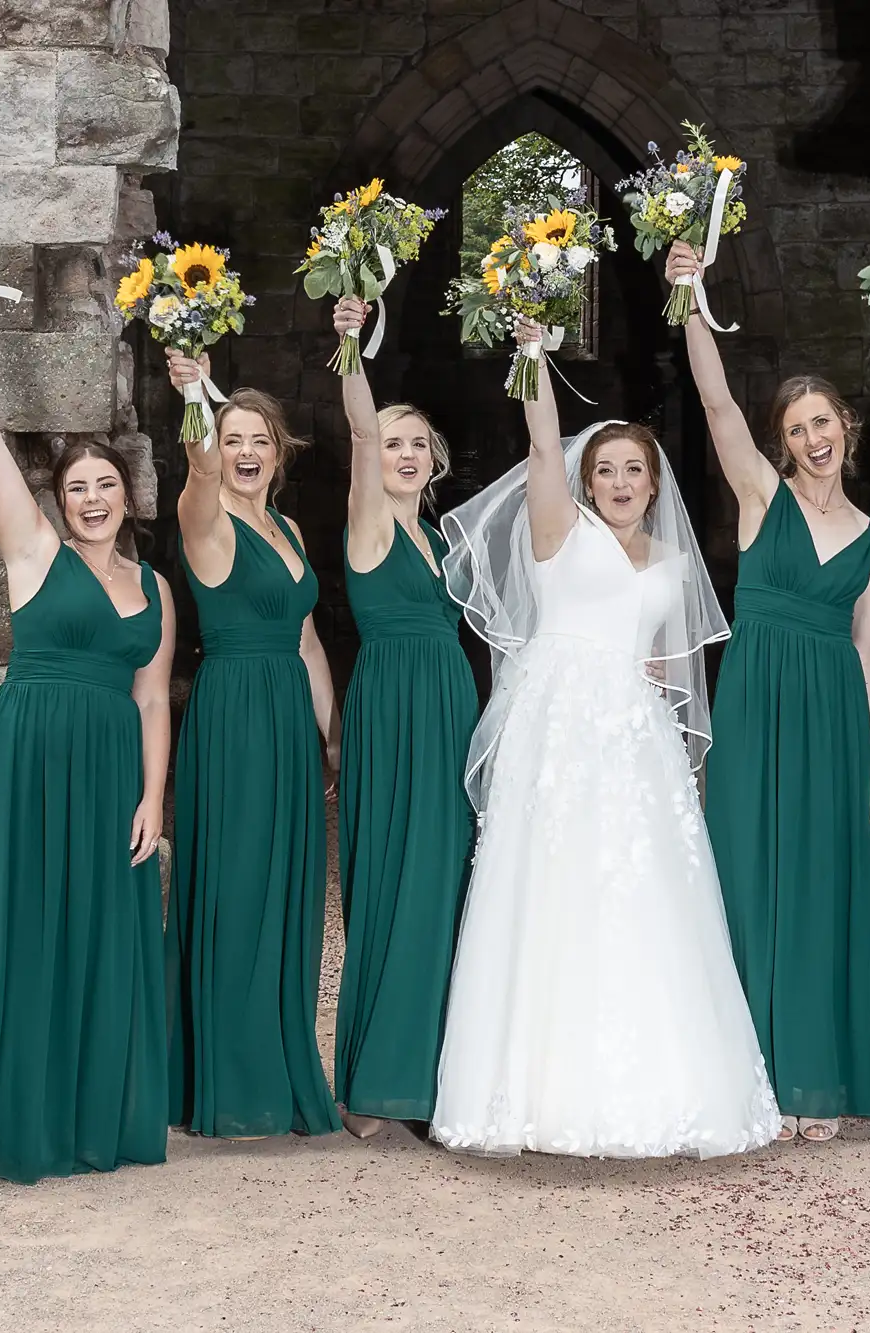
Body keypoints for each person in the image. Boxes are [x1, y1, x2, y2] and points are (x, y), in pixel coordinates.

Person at [428, 318, 780, 1159]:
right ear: (587, 481)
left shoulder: (670, 562)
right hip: (553, 729)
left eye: (635, 470)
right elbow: (541, 448)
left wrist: (675, 768)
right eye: (606, 469)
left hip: (635, 741)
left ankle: (652, 1091)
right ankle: (535, 1092)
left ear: (654, 484)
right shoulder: (559, 530)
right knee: (546, 890)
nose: (619, 481)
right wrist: (535, 361)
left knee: (642, 896)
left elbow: (666, 669)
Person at [0, 299, 175, 1183]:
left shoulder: (155, 587)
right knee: (34, 933)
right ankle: (23, 1118)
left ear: (126, 494)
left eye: (106, 484)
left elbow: (152, 700)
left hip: (114, 775)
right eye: (78, 488)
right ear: (60, 504)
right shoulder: (32, 552)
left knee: (107, 933)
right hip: (27, 763)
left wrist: (153, 799)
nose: (93, 498)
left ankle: (92, 1114)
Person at [668, 241, 870, 1144]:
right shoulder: (761, 496)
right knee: (747, 872)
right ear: (784, 442)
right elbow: (717, 400)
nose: (813, 437)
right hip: (760, 706)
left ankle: (812, 1073)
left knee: (819, 885)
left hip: (835, 716)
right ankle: (744, 1069)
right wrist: (690, 292)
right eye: (797, 427)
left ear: (846, 425)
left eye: (823, 421)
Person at [165, 354, 340, 1139]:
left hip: (288, 725)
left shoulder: (292, 528)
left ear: (279, 450)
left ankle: (281, 1061)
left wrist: (331, 737)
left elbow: (306, 640)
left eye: (258, 439)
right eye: (233, 438)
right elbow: (201, 473)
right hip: (233, 715)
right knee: (236, 888)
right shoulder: (203, 514)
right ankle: (232, 1084)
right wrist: (195, 398)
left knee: (290, 892)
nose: (244, 451)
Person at [328, 296, 478, 1139]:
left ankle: (431, 1076)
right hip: (392, 707)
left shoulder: (444, 539)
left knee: (446, 880)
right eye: (394, 442)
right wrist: (351, 345)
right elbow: (356, 434)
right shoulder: (369, 519)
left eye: (419, 442)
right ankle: (373, 1079)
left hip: (450, 704)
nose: (407, 453)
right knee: (390, 879)